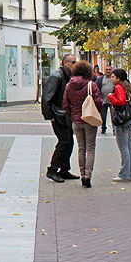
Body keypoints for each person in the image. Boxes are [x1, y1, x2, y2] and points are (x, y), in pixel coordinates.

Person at [62, 60, 103, 188]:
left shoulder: (69, 86)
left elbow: (65, 104)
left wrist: (73, 114)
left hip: (76, 121)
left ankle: (81, 173)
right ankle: (87, 176)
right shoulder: (91, 85)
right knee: (90, 148)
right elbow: (99, 102)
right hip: (90, 120)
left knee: (81, 148)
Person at [42, 53, 78, 183]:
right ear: (65, 63)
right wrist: (49, 115)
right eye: (72, 62)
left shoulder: (68, 76)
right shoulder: (56, 77)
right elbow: (47, 98)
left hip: (66, 115)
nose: (74, 65)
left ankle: (64, 169)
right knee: (64, 142)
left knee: (69, 142)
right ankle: (52, 170)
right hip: (58, 115)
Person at [108, 68, 131, 183]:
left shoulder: (119, 87)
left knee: (123, 147)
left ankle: (124, 174)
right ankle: (129, 173)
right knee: (128, 147)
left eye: (113, 77)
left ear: (118, 78)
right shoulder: (129, 87)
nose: (111, 79)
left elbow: (121, 102)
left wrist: (111, 97)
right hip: (129, 119)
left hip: (122, 120)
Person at [96, 64, 116, 134]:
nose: (108, 71)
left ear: (112, 70)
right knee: (103, 116)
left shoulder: (114, 79)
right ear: (104, 70)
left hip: (112, 101)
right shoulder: (100, 79)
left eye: (109, 69)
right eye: (107, 69)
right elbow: (96, 88)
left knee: (113, 115)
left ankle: (114, 129)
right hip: (103, 100)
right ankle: (103, 128)